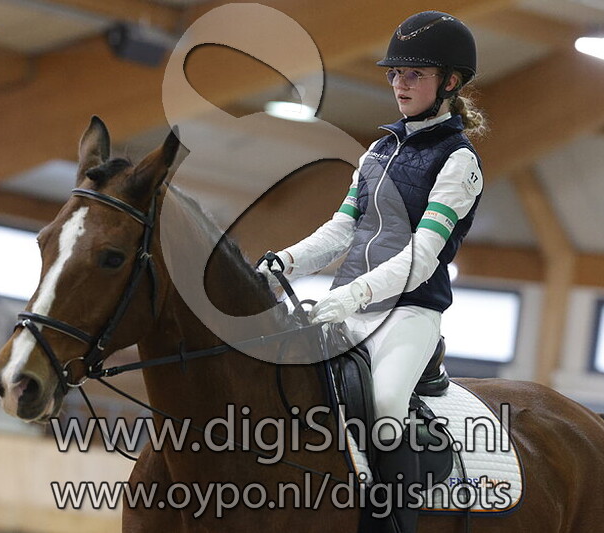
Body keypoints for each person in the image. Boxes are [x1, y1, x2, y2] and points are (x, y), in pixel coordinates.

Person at [258, 11, 486, 533]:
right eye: (395, 73)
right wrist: (284, 263)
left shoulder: (459, 161)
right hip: (349, 305)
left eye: (415, 74)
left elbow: (422, 255)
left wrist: (354, 294)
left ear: (450, 82)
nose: (400, 84)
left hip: (410, 312)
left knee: (384, 408)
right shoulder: (378, 151)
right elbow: (341, 230)